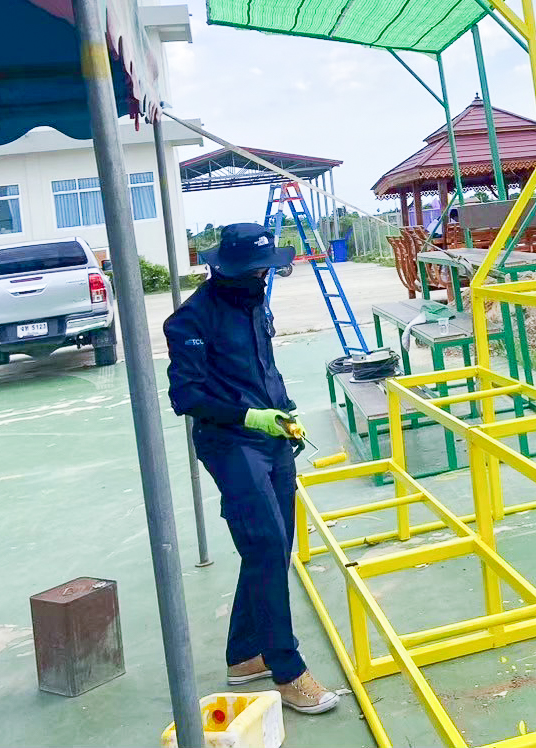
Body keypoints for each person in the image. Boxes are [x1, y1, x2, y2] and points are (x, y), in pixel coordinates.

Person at [163, 222, 339, 715]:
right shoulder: (190, 322)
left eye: (267, 269)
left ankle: (245, 655)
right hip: (229, 442)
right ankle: (287, 671)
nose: (263, 277)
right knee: (263, 543)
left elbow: (264, 368)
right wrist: (249, 416)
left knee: (275, 546)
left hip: (272, 435)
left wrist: (283, 411)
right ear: (227, 270)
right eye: (256, 271)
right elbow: (186, 397)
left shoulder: (256, 303)